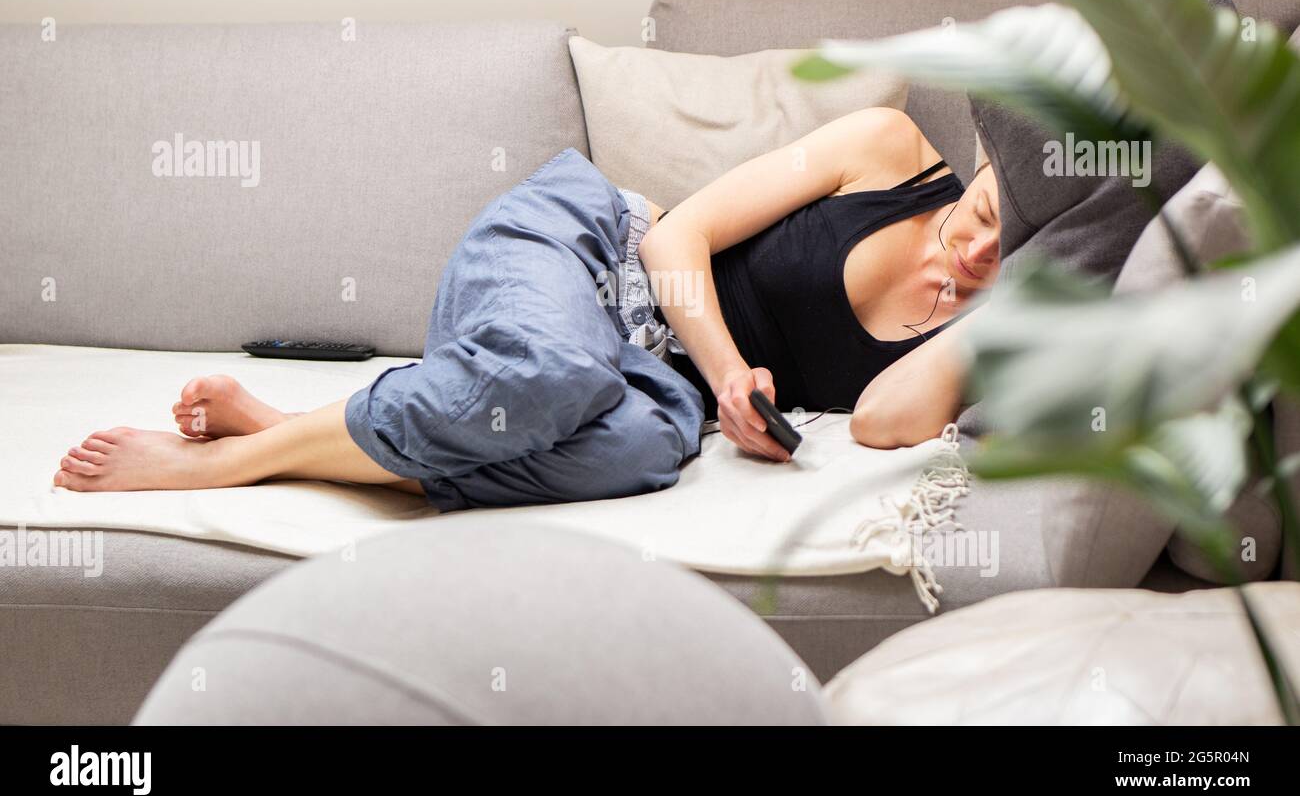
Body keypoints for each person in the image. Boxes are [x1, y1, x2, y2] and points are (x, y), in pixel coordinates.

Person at [52, 107, 1001, 509]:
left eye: (1019, 242)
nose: (980, 248)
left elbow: (879, 422)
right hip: (590, 253)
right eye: (991, 209)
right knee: (558, 370)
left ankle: (292, 430)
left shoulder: (1000, 322)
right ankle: (232, 468)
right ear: (988, 158)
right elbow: (675, 241)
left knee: (634, 450)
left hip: (653, 389)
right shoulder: (889, 147)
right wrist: (728, 377)